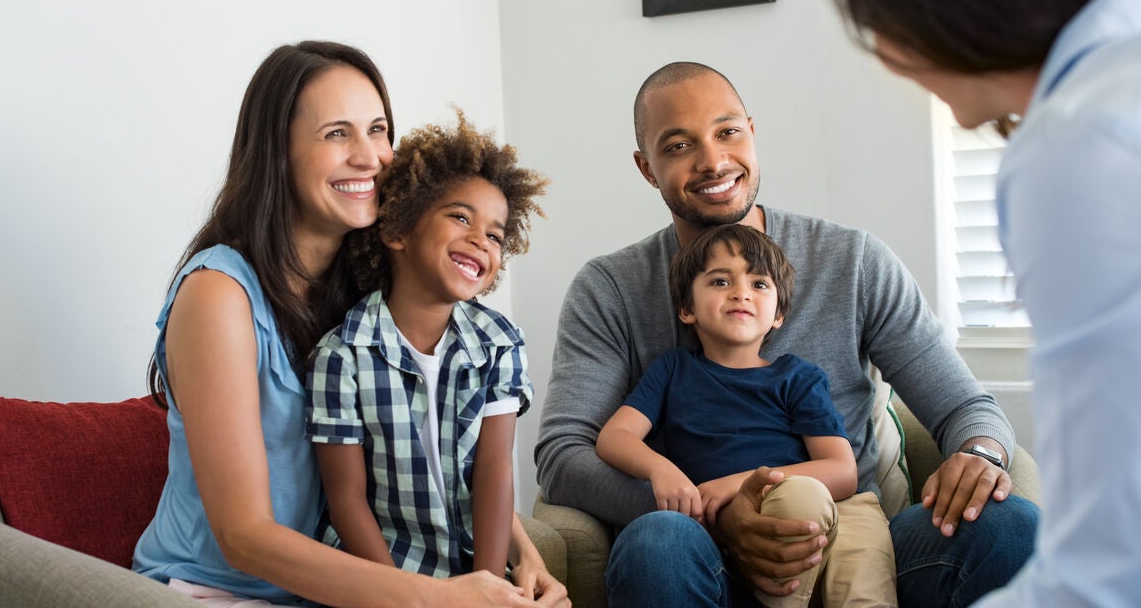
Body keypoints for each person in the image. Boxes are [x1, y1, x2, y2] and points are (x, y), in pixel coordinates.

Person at [534, 60, 1039, 607]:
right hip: (698, 547)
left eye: (727, 132)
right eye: (678, 146)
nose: (712, 160)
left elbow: (966, 406)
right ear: (647, 168)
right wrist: (719, 516)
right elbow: (564, 454)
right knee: (658, 542)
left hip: (847, 537)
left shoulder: (853, 261)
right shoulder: (610, 288)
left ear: (752, 131)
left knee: (1010, 526)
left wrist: (981, 455)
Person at [132, 41, 567, 607]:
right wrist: (434, 600)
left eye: (379, 129)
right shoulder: (218, 295)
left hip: (335, 592)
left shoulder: (371, 293)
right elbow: (243, 538)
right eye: (338, 134)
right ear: (277, 152)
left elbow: (440, 456)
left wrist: (521, 557)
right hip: (210, 590)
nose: (371, 157)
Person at [824, 0, 1141, 605]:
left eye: (875, 24)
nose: (884, 57)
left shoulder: (1076, 145)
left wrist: (979, 449)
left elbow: (1105, 567)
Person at [595, 224, 896, 607]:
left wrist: (732, 484)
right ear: (686, 309)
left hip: (806, 514)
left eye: (759, 284)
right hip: (719, 549)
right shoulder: (673, 370)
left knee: (805, 503)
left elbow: (841, 470)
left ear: (778, 316)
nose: (741, 292)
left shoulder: (796, 376)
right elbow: (614, 437)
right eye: (720, 281)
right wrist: (662, 470)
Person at [305, 112, 547, 582]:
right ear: (397, 230)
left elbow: (494, 473)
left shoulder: (499, 344)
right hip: (382, 578)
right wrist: (403, 596)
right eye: (460, 216)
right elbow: (346, 500)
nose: (481, 240)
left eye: (496, 235)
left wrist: (489, 586)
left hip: (473, 574)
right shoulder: (340, 358)